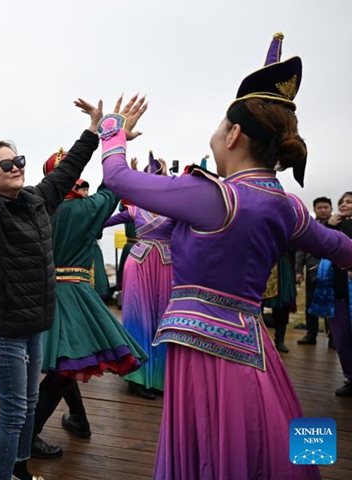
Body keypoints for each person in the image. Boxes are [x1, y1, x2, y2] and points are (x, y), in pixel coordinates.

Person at [98, 33, 352, 479]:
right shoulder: (287, 204)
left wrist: (111, 129)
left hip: (203, 352)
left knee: (214, 449)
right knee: (273, 434)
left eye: (220, 124)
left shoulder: (213, 196)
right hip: (252, 344)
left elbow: (117, 176)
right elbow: (341, 248)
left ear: (234, 133)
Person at [0, 96, 104, 480]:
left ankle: (18, 468)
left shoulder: (35, 200)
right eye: (5, 164)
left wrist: (93, 132)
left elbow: (66, 172)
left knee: (30, 403)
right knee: (14, 413)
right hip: (6, 329)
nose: (16, 168)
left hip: (36, 323)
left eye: (20, 161)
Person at [32, 150, 147, 460]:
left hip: (40, 293)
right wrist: (116, 142)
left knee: (69, 359)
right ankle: (29, 433)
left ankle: (79, 420)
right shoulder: (87, 208)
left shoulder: (38, 208)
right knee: (66, 364)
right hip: (74, 295)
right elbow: (113, 186)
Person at [103, 152, 175, 400]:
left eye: (158, 179)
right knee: (137, 319)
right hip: (140, 262)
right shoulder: (135, 209)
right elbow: (102, 221)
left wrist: (172, 179)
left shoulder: (174, 208)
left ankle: (161, 379)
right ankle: (137, 378)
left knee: (165, 320)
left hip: (166, 265)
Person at [310, 191, 352, 396]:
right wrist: (331, 227)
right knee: (342, 334)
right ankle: (351, 378)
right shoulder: (334, 226)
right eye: (342, 202)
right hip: (337, 287)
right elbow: (318, 250)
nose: (344, 205)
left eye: (350, 202)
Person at [295, 196, 333, 345]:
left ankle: (333, 336)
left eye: (326, 207)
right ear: (315, 210)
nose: (323, 210)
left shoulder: (339, 225)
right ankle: (311, 334)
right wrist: (298, 271)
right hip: (312, 272)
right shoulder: (309, 227)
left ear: (331, 209)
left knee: (331, 305)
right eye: (319, 208)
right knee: (310, 305)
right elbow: (300, 251)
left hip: (333, 274)